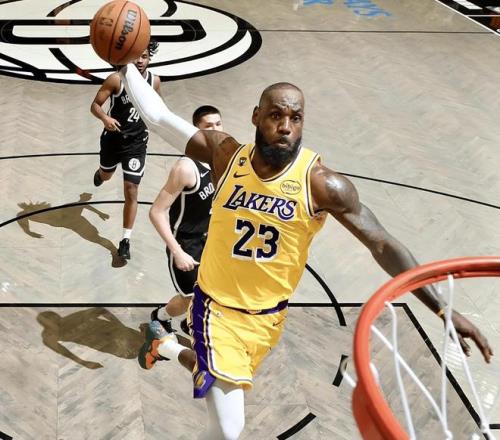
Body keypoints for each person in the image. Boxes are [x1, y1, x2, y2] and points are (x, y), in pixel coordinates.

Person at [119, 65, 493, 440]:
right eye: (276, 116)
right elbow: (158, 117)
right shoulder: (226, 155)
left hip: (268, 318)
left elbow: (381, 243)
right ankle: (171, 345)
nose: (285, 127)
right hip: (215, 308)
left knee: (218, 382)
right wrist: (126, 64)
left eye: (295, 118)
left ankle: (165, 346)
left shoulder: (322, 184)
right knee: (228, 429)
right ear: (256, 116)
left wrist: (442, 307)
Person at [149, 106, 223, 335]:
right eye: (208, 126)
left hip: (210, 240)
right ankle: (160, 316)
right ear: (196, 131)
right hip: (185, 243)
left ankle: (189, 322)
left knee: (213, 292)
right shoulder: (185, 168)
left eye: (218, 123)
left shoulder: (220, 160)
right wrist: (177, 252)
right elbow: (156, 212)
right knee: (188, 298)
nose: (215, 129)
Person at [90, 40, 161, 260]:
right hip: (113, 140)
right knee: (106, 175)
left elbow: (157, 108)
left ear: (150, 58)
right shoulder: (116, 79)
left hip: (136, 144)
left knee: (131, 189)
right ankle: (101, 174)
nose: (140, 61)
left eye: (144, 56)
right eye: (136, 56)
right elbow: (95, 105)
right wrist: (105, 118)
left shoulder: (154, 81)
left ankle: (125, 240)